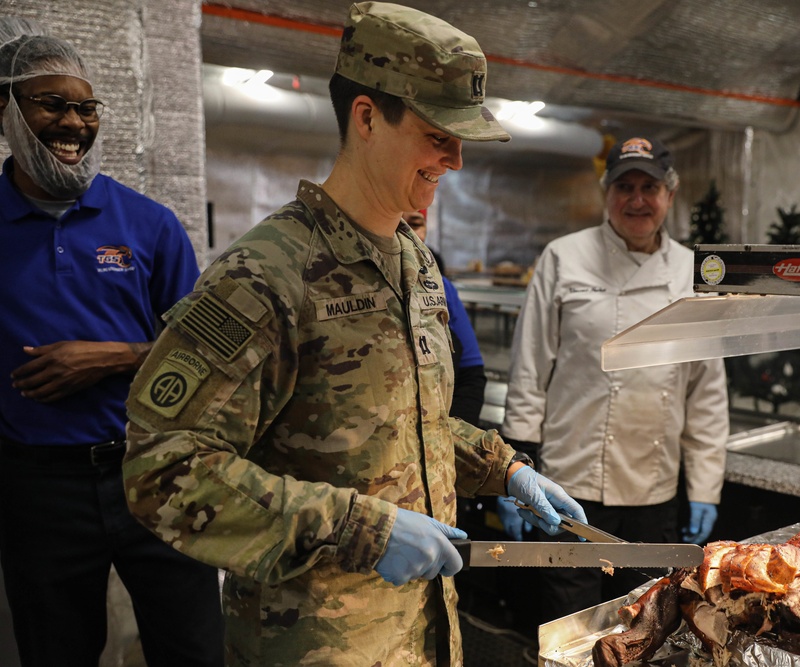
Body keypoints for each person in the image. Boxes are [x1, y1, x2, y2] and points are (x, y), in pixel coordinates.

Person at [121, 3, 586, 666]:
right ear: (368, 117)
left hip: (426, 635)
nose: (455, 159)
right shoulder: (267, 273)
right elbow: (162, 467)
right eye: (437, 134)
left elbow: (395, 422)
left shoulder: (415, 262)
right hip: (315, 644)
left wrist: (501, 467)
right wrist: (360, 526)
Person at [0, 17, 224, 667]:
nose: (75, 123)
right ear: (6, 109)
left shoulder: (148, 224)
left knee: (192, 649)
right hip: (37, 488)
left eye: (86, 107)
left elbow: (213, 352)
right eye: (52, 103)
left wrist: (115, 356)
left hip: (156, 471)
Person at [500, 136, 730, 622]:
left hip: (655, 490)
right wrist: (514, 468)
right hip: (570, 481)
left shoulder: (694, 274)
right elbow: (529, 370)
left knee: (647, 623)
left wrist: (706, 486)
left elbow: (706, 393)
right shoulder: (563, 257)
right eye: (624, 186)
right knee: (570, 622)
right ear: (607, 193)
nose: (637, 199)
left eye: (649, 186)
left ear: (670, 194)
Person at [403, 208, 487, 426]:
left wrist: (454, 441)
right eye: (397, 221)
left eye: (416, 223)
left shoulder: (442, 288)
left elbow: (471, 376)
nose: (405, 231)